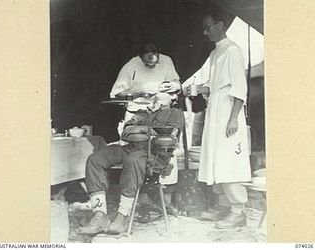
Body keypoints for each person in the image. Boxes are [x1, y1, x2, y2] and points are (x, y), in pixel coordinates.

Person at [79, 93, 185, 235]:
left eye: (165, 92)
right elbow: (126, 133)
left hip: (155, 154)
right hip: (131, 148)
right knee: (95, 159)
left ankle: (123, 215)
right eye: (157, 92)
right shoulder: (143, 113)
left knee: (133, 160)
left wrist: (141, 130)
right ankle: (99, 215)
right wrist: (150, 132)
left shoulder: (175, 113)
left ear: (173, 98)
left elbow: (169, 135)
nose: (158, 95)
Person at [185, 12, 251, 229]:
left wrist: (233, 119)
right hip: (215, 109)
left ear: (220, 25)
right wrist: (193, 89)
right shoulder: (216, 53)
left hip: (228, 111)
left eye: (208, 27)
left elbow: (239, 88)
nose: (204, 32)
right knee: (216, 158)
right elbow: (211, 85)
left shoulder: (232, 50)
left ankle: (238, 211)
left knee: (229, 160)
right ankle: (223, 205)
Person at [110, 42, 182, 119]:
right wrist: (139, 94)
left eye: (155, 63)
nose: (152, 66)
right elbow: (117, 94)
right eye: (147, 63)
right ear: (140, 57)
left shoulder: (167, 61)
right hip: (138, 111)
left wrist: (176, 86)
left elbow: (176, 82)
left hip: (164, 111)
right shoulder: (130, 66)